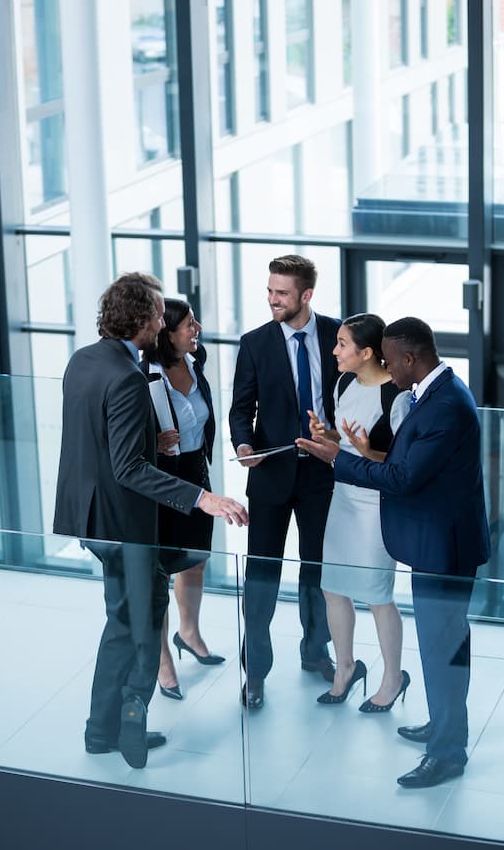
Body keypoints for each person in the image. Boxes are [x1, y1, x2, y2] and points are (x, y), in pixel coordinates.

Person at [53, 272, 248, 770]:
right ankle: (133, 711)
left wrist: (147, 441)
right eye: (160, 315)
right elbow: (128, 469)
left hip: (88, 515)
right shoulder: (127, 378)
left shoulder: (84, 360)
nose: (164, 323)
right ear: (140, 319)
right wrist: (202, 498)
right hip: (121, 522)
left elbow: (99, 438)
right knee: (143, 612)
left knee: (124, 617)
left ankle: (102, 730)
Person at [296, 317, 491, 788]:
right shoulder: (434, 393)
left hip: (444, 548)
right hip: (437, 543)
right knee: (441, 647)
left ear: (410, 358)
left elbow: (403, 477)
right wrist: (352, 449)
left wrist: (337, 460)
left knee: (444, 648)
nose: (386, 367)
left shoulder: (444, 405)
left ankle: (447, 752)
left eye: (391, 359)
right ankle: (445, 725)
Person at [229, 254, 339, 709]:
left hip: (321, 475)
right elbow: (241, 409)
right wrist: (242, 447)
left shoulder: (337, 335)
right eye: (270, 291)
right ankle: (254, 672)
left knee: (317, 570)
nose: (272, 299)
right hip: (270, 474)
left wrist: (336, 440)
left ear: (306, 295)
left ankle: (315, 652)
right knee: (261, 576)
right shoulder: (255, 343)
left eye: (282, 293)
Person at [309, 314, 411, 710]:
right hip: (343, 497)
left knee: (376, 595)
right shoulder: (344, 382)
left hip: (375, 504)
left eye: (342, 344)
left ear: (366, 353)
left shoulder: (396, 396)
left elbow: (402, 463)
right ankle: (346, 668)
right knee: (332, 587)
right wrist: (326, 435)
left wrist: (367, 451)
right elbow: (345, 441)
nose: (334, 351)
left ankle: (392, 677)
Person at [142, 298, 224, 701]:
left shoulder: (196, 363)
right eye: (189, 324)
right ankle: (162, 661)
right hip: (159, 480)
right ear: (167, 332)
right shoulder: (144, 373)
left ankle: (188, 633)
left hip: (195, 472)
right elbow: (124, 438)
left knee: (195, 560)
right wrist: (152, 443)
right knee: (159, 571)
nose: (198, 329)